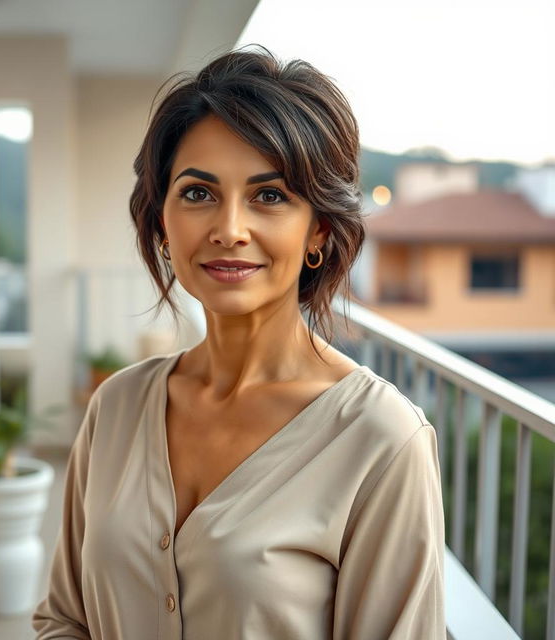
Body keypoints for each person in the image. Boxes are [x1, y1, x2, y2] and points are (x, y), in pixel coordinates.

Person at [32, 44, 446, 639]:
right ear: (162, 225)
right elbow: (64, 619)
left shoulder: (381, 439)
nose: (229, 229)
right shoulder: (115, 408)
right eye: (198, 193)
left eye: (269, 196)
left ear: (319, 231)